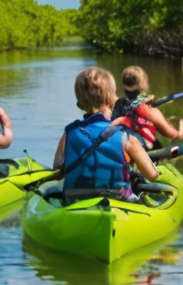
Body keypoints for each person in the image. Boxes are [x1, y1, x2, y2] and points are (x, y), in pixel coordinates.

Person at [54, 66, 162, 200]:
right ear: (112, 99)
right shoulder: (126, 136)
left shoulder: (69, 133)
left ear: (79, 102)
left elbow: (57, 168)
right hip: (118, 200)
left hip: (75, 199)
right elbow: (151, 174)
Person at [111, 65, 183, 147]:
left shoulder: (119, 104)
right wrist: (181, 125)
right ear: (144, 85)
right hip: (142, 154)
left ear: (123, 86)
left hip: (121, 146)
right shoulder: (150, 111)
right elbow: (175, 136)